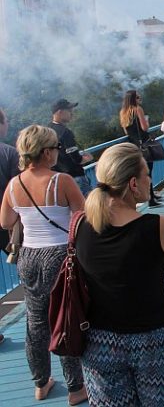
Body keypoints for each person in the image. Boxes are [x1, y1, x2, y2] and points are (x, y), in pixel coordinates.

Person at [76, 143, 164, 406]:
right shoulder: (158, 226)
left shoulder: (81, 225)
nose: (150, 178)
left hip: (100, 343)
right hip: (156, 342)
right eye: (147, 174)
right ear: (134, 183)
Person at [0, 125, 87, 405]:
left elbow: (4, 222)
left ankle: (41, 382)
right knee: (66, 319)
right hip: (60, 255)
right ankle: (76, 388)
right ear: (47, 151)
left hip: (28, 258)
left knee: (36, 322)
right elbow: (83, 216)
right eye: (56, 148)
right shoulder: (61, 181)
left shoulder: (15, 184)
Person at [119, 90, 162, 208]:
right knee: (148, 171)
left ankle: (150, 195)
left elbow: (126, 131)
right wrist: (146, 121)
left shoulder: (123, 112)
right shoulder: (138, 109)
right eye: (138, 97)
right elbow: (145, 127)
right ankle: (151, 198)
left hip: (133, 145)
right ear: (134, 99)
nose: (140, 99)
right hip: (143, 143)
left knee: (140, 172)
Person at [48, 99, 94, 195]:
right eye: (69, 111)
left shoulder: (47, 130)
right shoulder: (66, 132)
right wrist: (87, 158)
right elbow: (76, 159)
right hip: (75, 177)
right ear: (60, 112)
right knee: (88, 207)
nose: (72, 114)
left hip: (58, 179)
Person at [0, 107, 20, 255]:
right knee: (22, 260)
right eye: (6, 121)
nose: (8, 124)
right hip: (6, 221)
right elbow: (18, 189)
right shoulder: (9, 152)